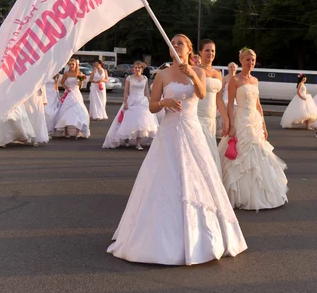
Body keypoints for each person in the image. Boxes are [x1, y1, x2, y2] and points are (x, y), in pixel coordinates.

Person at [107, 34, 247, 265]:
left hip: (192, 132)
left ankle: (201, 235)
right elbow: (152, 106)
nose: (176, 45)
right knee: (163, 180)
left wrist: (191, 73)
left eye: (180, 42)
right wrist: (164, 103)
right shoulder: (161, 74)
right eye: (173, 42)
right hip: (169, 133)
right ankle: (156, 238)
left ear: (189, 49)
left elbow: (202, 94)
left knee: (199, 179)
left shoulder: (199, 71)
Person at [219, 47, 289, 211]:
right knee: (241, 156)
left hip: (255, 121)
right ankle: (240, 194)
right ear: (241, 61)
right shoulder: (235, 80)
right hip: (241, 119)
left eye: (253, 60)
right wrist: (230, 125)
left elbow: (258, 104)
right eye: (247, 60)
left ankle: (260, 194)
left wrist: (263, 125)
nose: (250, 63)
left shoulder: (255, 80)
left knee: (259, 154)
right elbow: (230, 103)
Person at [103, 61, 158, 150]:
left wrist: (150, 100)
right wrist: (125, 102)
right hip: (131, 101)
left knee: (141, 123)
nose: (137, 69)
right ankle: (126, 139)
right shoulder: (129, 78)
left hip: (142, 102)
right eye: (135, 67)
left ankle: (138, 143)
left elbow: (146, 91)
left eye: (138, 68)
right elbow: (126, 92)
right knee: (129, 121)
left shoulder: (145, 78)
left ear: (142, 69)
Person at [197, 39, 227, 175]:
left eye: (213, 51)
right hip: (197, 117)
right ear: (200, 52)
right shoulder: (195, 70)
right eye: (207, 50)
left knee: (210, 152)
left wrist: (226, 120)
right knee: (199, 152)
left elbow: (219, 99)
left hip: (211, 120)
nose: (210, 53)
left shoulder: (218, 73)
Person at [53, 59, 90, 139]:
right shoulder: (66, 73)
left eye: (72, 64)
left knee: (79, 111)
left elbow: (80, 86)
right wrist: (67, 88)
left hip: (76, 94)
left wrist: (81, 82)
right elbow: (62, 83)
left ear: (76, 65)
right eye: (69, 64)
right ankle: (66, 130)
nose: (71, 66)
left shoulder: (79, 73)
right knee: (65, 111)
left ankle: (77, 131)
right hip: (69, 93)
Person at [217, 62, 238, 137]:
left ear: (236, 68)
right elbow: (220, 89)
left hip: (235, 101)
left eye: (234, 67)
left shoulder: (238, 78)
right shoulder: (225, 78)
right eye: (231, 67)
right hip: (225, 99)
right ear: (228, 68)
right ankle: (224, 131)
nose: (232, 68)